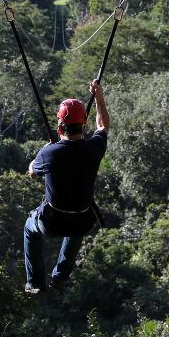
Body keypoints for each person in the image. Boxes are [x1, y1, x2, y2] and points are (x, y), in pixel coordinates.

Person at [23, 79, 110, 294]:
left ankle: (35, 283)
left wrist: (44, 149)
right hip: (80, 221)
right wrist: (98, 97)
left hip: (51, 221)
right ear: (84, 125)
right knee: (79, 220)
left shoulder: (50, 153)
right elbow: (103, 126)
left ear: (60, 126)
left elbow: (33, 172)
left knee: (29, 228)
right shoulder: (94, 148)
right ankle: (60, 278)